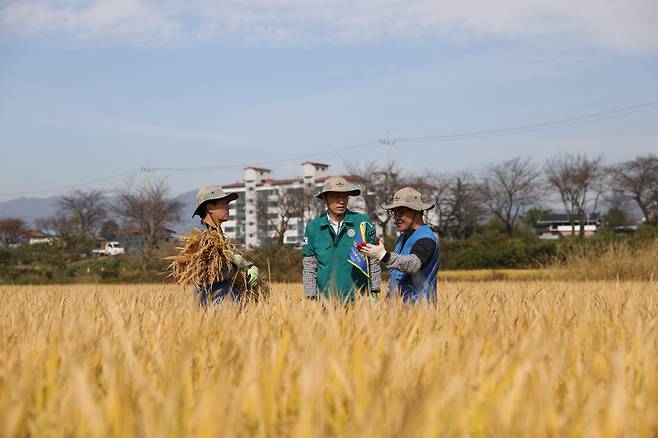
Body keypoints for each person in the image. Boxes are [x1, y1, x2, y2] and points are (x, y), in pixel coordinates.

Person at [302, 177, 381, 302]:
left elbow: (373, 260)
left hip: (358, 300)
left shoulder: (363, 223)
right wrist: (310, 297)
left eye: (345, 196)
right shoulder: (313, 227)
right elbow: (310, 265)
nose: (341, 201)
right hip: (325, 302)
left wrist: (375, 292)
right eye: (335, 197)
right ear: (325, 199)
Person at [359, 187, 439, 304]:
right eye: (394, 212)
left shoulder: (426, 239)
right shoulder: (403, 236)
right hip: (397, 311)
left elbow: (413, 264)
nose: (396, 217)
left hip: (418, 313)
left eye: (401, 212)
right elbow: (396, 276)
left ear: (416, 211)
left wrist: (384, 256)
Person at [192, 185, 260, 306]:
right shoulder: (200, 238)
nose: (228, 207)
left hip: (228, 298)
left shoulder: (221, 237)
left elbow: (236, 257)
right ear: (210, 208)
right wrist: (234, 264)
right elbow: (208, 272)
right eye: (223, 203)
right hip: (214, 301)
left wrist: (250, 267)